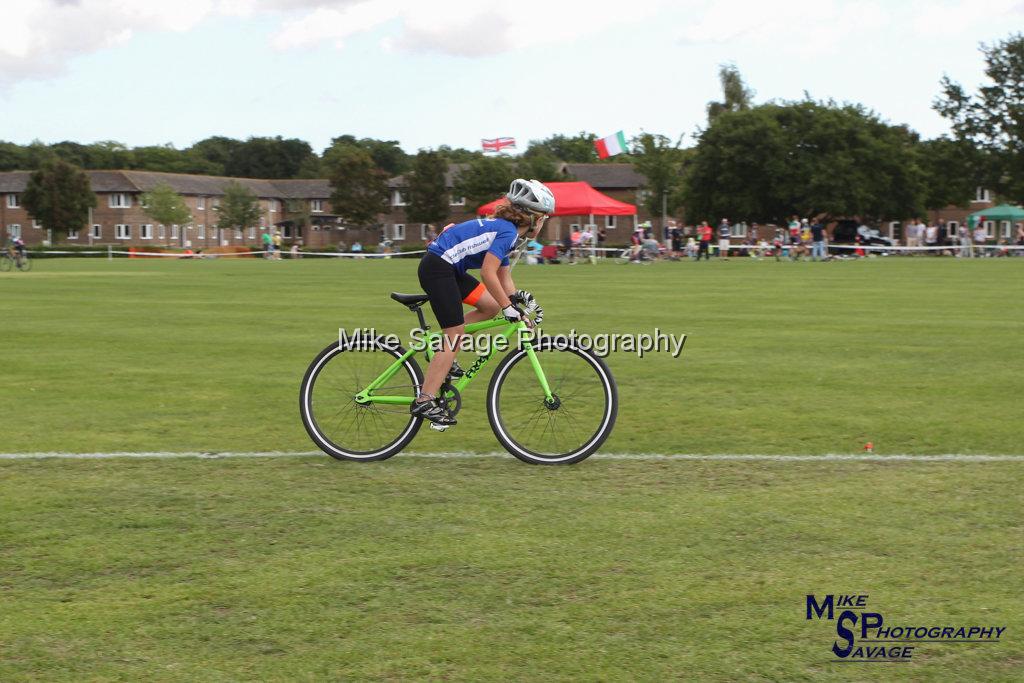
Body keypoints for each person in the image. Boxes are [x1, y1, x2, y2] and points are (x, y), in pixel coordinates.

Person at [411, 178, 554, 427]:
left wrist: (517, 311)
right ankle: (425, 399)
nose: (543, 222)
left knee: (490, 306)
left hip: (448, 267)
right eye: (544, 218)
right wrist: (509, 308)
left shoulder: (508, 232)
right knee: (454, 334)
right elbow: (488, 273)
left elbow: (503, 276)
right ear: (533, 218)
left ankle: (439, 350)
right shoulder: (507, 231)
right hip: (438, 268)